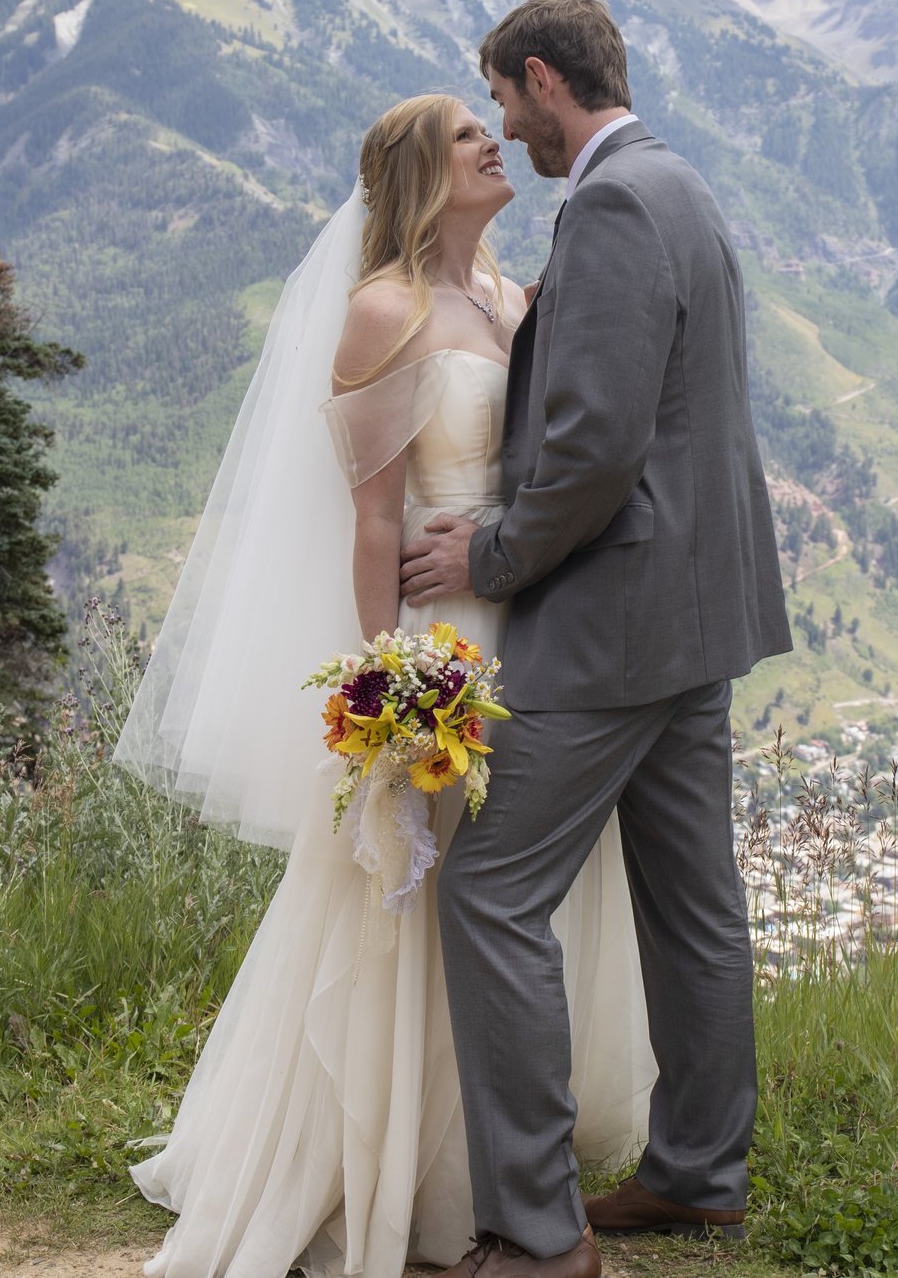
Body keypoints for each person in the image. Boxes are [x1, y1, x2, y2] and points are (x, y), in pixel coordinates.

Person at [115, 93, 653, 1277]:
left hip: (531, 628)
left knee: (507, 896)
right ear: (422, 171)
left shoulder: (514, 297)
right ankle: (380, 1162)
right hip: (439, 637)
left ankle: (495, 1150)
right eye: (471, 135)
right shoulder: (382, 311)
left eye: (492, 126)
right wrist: (389, 683)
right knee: (412, 889)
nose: (494, 143)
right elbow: (370, 518)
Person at [397, 0, 792, 1276]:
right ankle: (698, 1172)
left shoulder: (614, 204)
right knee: (694, 902)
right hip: (699, 611)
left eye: (506, 104)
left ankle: (536, 1227)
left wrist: (493, 554)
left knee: (492, 888)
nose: (507, 130)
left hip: (617, 618)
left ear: (538, 79)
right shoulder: (678, 183)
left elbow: (595, 445)